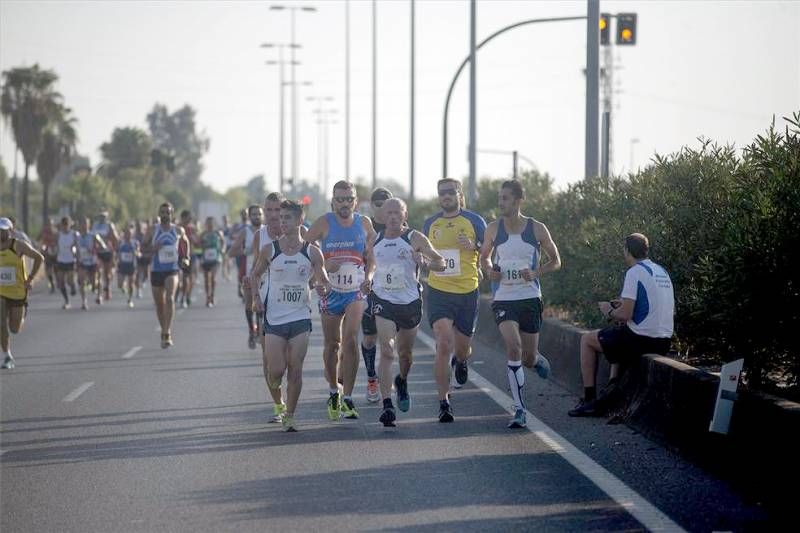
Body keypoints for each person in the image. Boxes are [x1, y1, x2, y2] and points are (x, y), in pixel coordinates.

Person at [480, 180, 560, 429]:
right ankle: (519, 409)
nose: (500, 202)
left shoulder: (536, 228)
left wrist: (536, 273)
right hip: (504, 297)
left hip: (529, 297)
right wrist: (490, 270)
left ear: (517, 201)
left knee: (526, 357)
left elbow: (556, 260)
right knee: (513, 347)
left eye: (505, 198)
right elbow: (483, 258)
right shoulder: (493, 229)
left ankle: (536, 360)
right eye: (499, 197)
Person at [569, 233, 675, 417]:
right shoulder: (661, 271)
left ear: (627, 250)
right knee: (617, 333)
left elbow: (625, 314)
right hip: (664, 341)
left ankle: (589, 399)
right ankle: (611, 388)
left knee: (587, 339)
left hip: (641, 340)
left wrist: (608, 310)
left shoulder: (634, 272)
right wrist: (622, 303)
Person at [249, 200, 329, 432]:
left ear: (300, 221)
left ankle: (290, 415)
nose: (282, 222)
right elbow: (255, 275)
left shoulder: (312, 251)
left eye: (287, 218)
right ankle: (276, 390)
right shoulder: (270, 250)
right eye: (281, 217)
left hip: (300, 318)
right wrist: (255, 298)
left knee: (296, 368)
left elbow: (321, 278)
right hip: (274, 318)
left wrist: (323, 287)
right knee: (275, 370)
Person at [371, 199, 446, 427]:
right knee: (386, 350)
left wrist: (424, 262)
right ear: (383, 216)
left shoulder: (414, 238)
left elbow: (441, 263)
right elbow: (369, 265)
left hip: (409, 301)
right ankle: (387, 405)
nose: (393, 217)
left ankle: (401, 381)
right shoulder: (374, 239)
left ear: (405, 215)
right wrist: (366, 280)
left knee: (405, 355)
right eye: (389, 212)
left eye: (397, 212)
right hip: (383, 299)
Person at [305, 180, 376, 420]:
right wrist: (323, 263)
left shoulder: (364, 223)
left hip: (355, 290)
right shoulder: (324, 222)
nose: (344, 203)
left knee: (350, 341)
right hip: (331, 290)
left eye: (349, 199)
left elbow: (372, 255)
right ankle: (333, 391)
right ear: (332, 201)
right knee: (332, 345)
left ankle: (348, 398)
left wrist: (369, 276)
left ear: (355, 201)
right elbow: (305, 248)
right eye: (340, 199)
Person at [422, 178, 487, 422]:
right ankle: (443, 402)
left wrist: (474, 245)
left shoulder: (474, 220)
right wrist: (424, 262)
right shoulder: (430, 223)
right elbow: (421, 252)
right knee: (443, 343)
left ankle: (461, 361)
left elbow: (488, 248)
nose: (446, 196)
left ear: (459, 195)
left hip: (467, 291)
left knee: (461, 348)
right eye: (442, 193)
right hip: (439, 290)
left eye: (450, 192)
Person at [360, 187, 392, 404]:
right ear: (372, 206)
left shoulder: (400, 227)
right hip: (369, 289)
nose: (382, 208)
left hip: (393, 292)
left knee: (389, 342)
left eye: (386, 203)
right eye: (378, 204)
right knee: (370, 338)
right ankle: (372, 377)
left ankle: (390, 379)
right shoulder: (365, 227)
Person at [143, 202, 190, 349]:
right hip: (156, 270)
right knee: (159, 304)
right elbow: (142, 247)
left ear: (172, 214)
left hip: (172, 269)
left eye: (167, 212)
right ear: (159, 214)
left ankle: (166, 332)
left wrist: (186, 257)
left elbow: (185, 242)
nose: (165, 215)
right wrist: (153, 248)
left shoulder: (177, 230)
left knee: (170, 298)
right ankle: (164, 329)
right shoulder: (152, 230)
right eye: (162, 212)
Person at [1, 217, 44, 369]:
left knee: (14, 328)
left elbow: (39, 257)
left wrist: (31, 278)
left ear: (10, 230)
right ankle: (7, 356)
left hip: (18, 291)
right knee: (1, 323)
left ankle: (22, 313)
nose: (1, 233)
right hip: (1, 291)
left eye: (4, 230)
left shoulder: (18, 245)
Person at [228, 205, 264, 349]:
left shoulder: (268, 230)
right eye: (254, 214)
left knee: (262, 304)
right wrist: (245, 250)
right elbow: (231, 252)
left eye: (259, 214)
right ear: (249, 217)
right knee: (250, 303)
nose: (257, 217)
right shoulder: (245, 232)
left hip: (266, 274)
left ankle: (260, 330)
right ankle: (251, 330)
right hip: (249, 273)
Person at [77, 217, 108, 310]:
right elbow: (74, 246)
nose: (83, 226)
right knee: (81, 280)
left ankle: (99, 295)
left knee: (94, 283)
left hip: (92, 262)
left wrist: (95, 249)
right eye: (82, 224)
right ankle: (84, 302)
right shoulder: (77, 236)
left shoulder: (93, 235)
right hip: (82, 262)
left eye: (85, 224)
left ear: (88, 225)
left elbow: (103, 246)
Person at [91, 209, 119, 302]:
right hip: (98, 253)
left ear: (107, 217)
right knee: (98, 273)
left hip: (107, 252)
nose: (102, 218)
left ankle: (108, 289)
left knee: (107, 274)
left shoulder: (109, 225)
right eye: (101, 216)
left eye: (104, 216)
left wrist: (114, 251)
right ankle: (99, 295)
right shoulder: (95, 225)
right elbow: (92, 237)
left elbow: (115, 239)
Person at [199, 216, 225, 307]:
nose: (210, 225)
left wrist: (222, 249)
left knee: (213, 277)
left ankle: (212, 295)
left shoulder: (218, 233)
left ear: (214, 224)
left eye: (211, 223)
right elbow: (199, 244)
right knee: (206, 279)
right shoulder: (203, 234)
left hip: (216, 258)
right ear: (206, 224)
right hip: (205, 258)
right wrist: (202, 245)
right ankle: (207, 296)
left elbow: (223, 242)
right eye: (208, 223)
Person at [54, 216, 79, 308]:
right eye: (63, 224)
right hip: (61, 260)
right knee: (61, 282)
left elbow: (77, 245)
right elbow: (56, 245)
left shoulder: (74, 234)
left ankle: (72, 286)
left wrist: (77, 254)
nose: (65, 226)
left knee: (69, 281)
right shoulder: (58, 235)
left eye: (66, 224)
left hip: (71, 260)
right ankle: (67, 301)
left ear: (69, 225)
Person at [177, 210, 198, 308]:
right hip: (177, 255)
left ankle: (184, 297)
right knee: (178, 277)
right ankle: (178, 294)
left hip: (189, 256)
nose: (190, 219)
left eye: (191, 218)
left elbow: (197, 241)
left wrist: (195, 239)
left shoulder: (192, 228)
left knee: (186, 277)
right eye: (188, 217)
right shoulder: (177, 228)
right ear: (183, 217)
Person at [117, 225, 140, 308]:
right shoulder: (121, 242)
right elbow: (118, 253)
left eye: (129, 234)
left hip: (131, 265)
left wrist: (135, 252)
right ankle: (123, 286)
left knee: (131, 284)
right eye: (126, 233)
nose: (128, 235)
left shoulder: (135, 243)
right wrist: (117, 260)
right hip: (122, 265)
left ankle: (130, 299)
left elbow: (138, 252)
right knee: (119, 284)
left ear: (132, 234)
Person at [38, 218, 58, 293]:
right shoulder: (43, 231)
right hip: (47, 253)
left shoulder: (55, 231)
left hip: (55, 253)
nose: (49, 225)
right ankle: (52, 285)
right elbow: (38, 238)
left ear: (52, 224)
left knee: (56, 269)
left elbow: (58, 240)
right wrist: (41, 246)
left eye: (51, 224)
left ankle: (58, 282)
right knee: (48, 270)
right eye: (48, 224)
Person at [135, 219, 150, 299]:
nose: (139, 229)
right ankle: (138, 290)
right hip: (138, 257)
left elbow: (148, 245)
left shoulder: (146, 235)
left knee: (146, 274)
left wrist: (146, 251)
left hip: (145, 256)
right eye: (138, 227)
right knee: (138, 273)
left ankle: (143, 281)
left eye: (140, 227)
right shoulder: (134, 236)